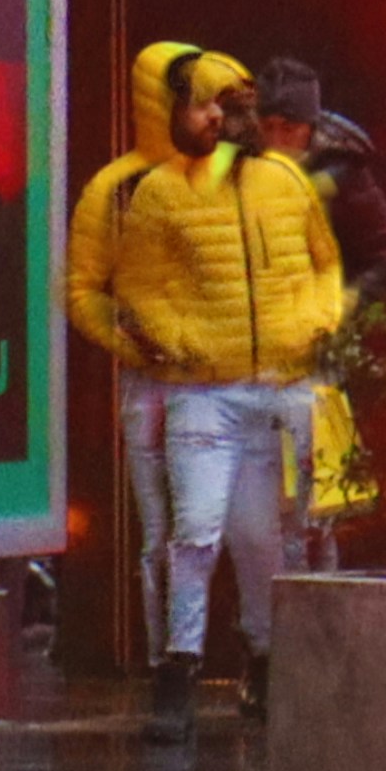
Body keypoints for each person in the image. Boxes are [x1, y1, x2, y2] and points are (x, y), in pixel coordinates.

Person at [63, 38, 346, 710]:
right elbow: (110, 289)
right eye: (215, 108)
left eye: (239, 109)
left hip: (266, 382)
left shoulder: (281, 182)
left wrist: (312, 327)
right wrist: (159, 346)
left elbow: (321, 264)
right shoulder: (142, 190)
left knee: (262, 533)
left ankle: (257, 662)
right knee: (184, 533)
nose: (230, 122)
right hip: (188, 388)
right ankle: (177, 668)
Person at [248, 59, 386, 321]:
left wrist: (344, 303)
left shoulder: (344, 176)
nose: (276, 142)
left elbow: (382, 261)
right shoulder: (239, 169)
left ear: (309, 128)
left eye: (288, 129)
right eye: (268, 128)